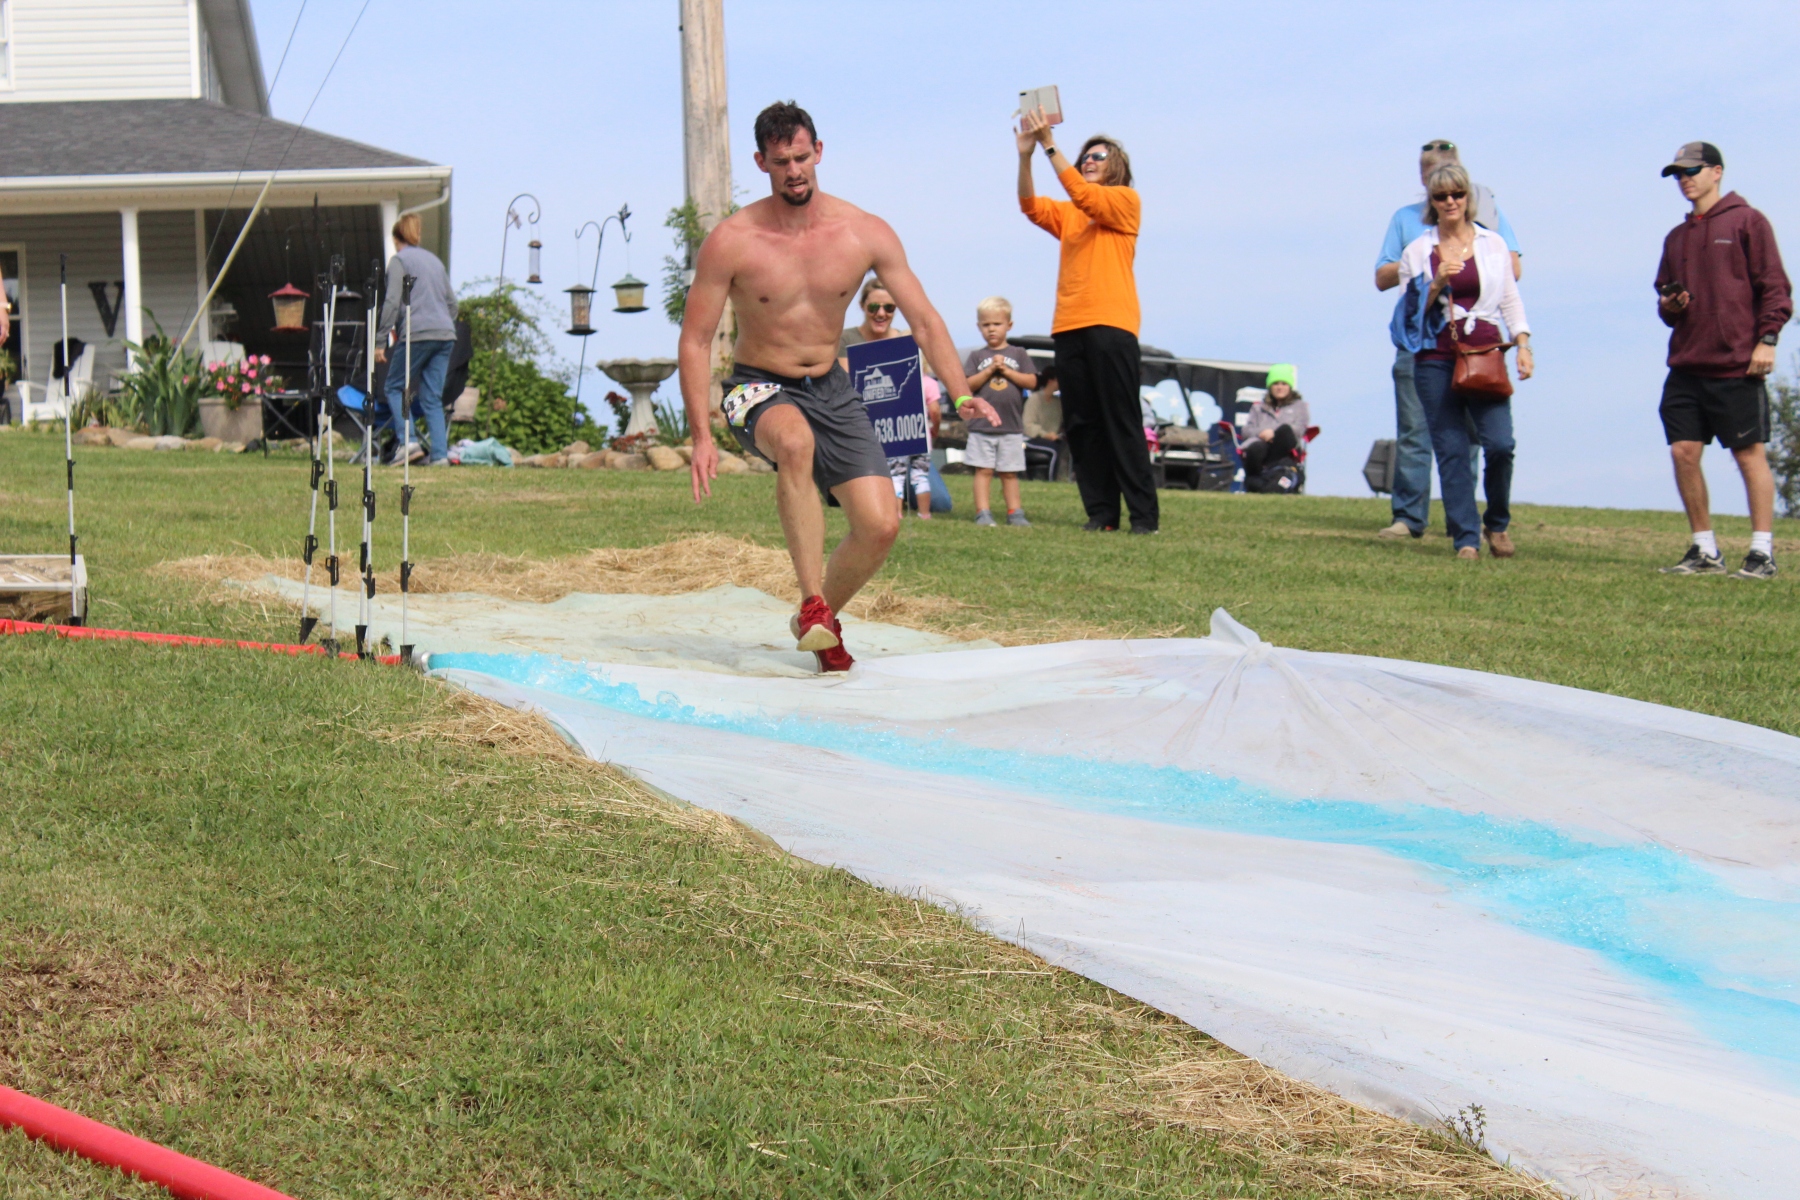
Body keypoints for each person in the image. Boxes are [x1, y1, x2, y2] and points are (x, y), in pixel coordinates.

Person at [679, 101, 998, 672]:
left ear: (819, 152)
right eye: (781, 162)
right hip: (756, 387)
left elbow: (925, 321)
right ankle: (812, 603)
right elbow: (696, 340)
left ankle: (819, 620)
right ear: (761, 163)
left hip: (830, 386)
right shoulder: (732, 240)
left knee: (880, 525)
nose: (794, 171)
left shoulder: (864, 232)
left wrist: (959, 392)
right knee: (795, 441)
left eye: (802, 157)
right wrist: (701, 435)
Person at [1653, 142, 1792, 580]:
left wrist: (1767, 339)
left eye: (1692, 171)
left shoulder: (1748, 221)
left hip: (1737, 363)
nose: (1685, 179)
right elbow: (1664, 304)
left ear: (1717, 172)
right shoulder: (1675, 238)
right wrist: (1671, 305)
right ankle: (1705, 550)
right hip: (1686, 363)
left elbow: (1775, 288)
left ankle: (1762, 553)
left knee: (1748, 454)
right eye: (1678, 174)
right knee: (1683, 451)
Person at [1016, 107, 1157, 534]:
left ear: (1117, 167)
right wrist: (1026, 155)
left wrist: (1049, 144)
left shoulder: (1124, 200)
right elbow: (1029, 206)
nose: (1089, 161)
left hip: (1112, 324)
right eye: (1085, 157)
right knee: (1082, 424)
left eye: (1098, 156)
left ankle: (1144, 518)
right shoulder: (1072, 211)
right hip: (1069, 326)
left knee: (1121, 421)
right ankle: (1102, 514)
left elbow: (1086, 196)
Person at [1375, 140, 1522, 540]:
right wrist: (1426, 272)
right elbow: (1382, 277)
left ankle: (1465, 520)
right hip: (1423, 342)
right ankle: (1410, 517)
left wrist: (1520, 339)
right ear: (1424, 181)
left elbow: (1512, 269)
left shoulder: (1488, 216)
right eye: (1434, 181)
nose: (1447, 195)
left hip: (1475, 344)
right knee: (1417, 432)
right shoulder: (1406, 222)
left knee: (1476, 438)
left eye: (1454, 186)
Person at [837, 275, 939, 520]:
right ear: (862, 306)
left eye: (889, 308)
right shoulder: (847, 340)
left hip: (903, 435)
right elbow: (850, 385)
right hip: (865, 433)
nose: (881, 313)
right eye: (874, 306)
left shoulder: (906, 340)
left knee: (941, 502)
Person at [375, 214, 457, 466]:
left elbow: (391, 302)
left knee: (394, 386)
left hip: (417, 333)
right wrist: (440, 322)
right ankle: (440, 456)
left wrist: (380, 340)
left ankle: (408, 442)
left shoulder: (399, 261)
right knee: (432, 397)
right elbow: (453, 305)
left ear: (395, 239)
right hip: (445, 334)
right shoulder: (435, 262)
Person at [962, 296, 1038, 526]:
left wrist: (1005, 370)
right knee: (983, 471)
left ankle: (1015, 512)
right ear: (979, 327)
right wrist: (988, 371)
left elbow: (1032, 382)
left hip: (1011, 426)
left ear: (1009, 325)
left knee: (1010, 472)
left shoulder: (1019, 354)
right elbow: (967, 385)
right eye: (986, 325)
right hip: (981, 426)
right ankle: (982, 512)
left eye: (997, 324)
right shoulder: (976, 356)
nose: (992, 329)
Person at [1240, 364, 1310, 490]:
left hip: (1284, 447)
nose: (1279, 387)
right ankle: (1254, 480)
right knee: (1256, 448)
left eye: (1284, 384)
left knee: (1285, 431)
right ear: (1270, 386)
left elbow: (1299, 429)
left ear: (1289, 387)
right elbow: (1246, 431)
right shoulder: (1258, 407)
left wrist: (1273, 433)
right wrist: (1262, 433)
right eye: (1276, 384)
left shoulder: (1299, 407)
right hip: (1261, 445)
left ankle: (1271, 475)